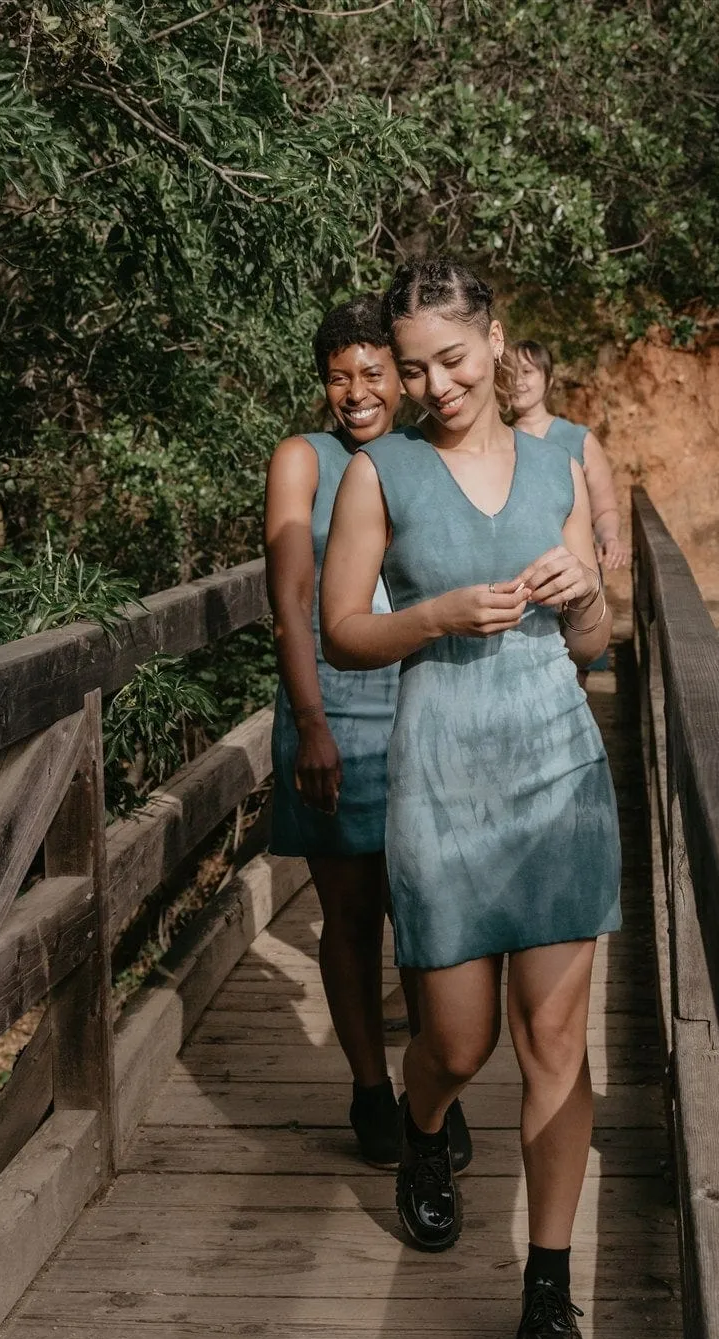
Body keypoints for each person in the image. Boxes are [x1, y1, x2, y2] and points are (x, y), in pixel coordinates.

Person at [321, 261, 620, 1339]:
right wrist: (434, 613)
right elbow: (342, 627)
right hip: (441, 771)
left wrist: (587, 598)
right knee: (456, 1041)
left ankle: (548, 1289)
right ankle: (425, 1126)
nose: (435, 384)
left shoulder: (561, 463)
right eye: (413, 369)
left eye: (451, 358)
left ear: (494, 342)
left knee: (554, 1042)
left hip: (556, 771)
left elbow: (592, 644)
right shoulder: (377, 476)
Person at [263, 296, 471, 1171]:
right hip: (334, 716)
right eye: (340, 376)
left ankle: (432, 1086)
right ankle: (369, 1088)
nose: (357, 391)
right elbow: (289, 601)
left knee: (426, 912)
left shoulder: (427, 455)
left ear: (403, 376)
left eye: (374, 373)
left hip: (425, 705)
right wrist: (312, 725)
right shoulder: (300, 460)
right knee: (350, 916)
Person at [511, 340, 631, 573]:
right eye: (511, 373)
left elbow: (605, 509)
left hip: (577, 575)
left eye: (527, 372)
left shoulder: (580, 439)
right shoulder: (494, 442)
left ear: (549, 380)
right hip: (519, 580)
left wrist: (609, 538)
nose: (518, 381)